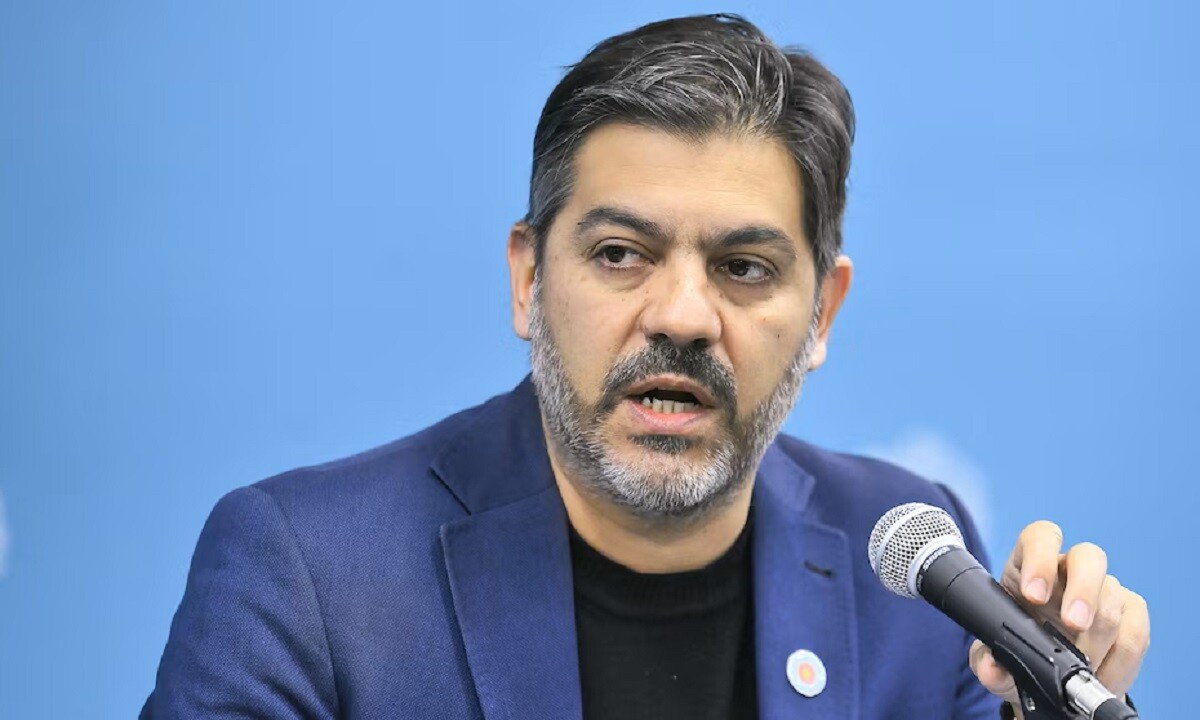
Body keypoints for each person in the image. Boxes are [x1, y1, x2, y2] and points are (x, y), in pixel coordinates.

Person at [142, 14, 1149, 720]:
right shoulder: (310, 574)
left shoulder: (914, 563)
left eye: (743, 267)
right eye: (621, 254)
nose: (681, 316)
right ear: (529, 281)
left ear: (823, 312)